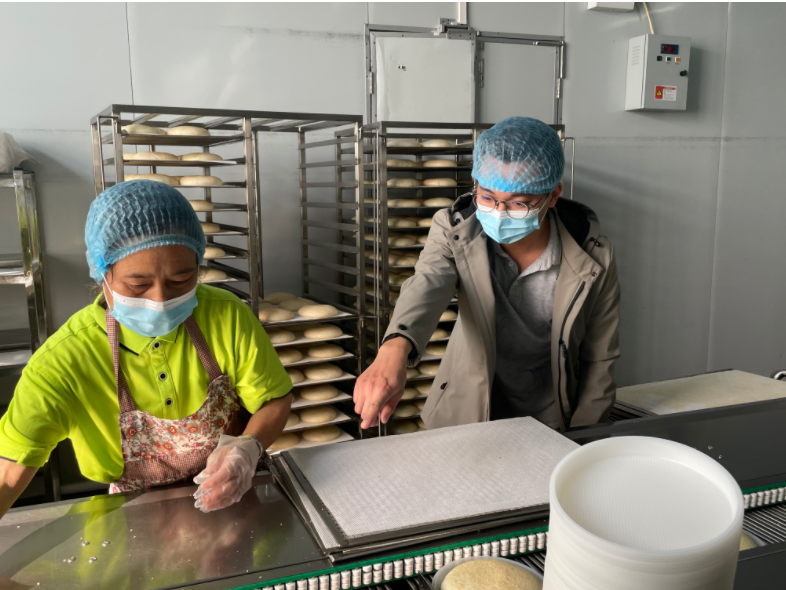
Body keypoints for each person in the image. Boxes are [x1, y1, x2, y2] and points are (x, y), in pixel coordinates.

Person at [0, 180, 292, 519]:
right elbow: (8, 472)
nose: (160, 299)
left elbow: (273, 399)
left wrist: (248, 447)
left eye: (181, 280)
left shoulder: (226, 316)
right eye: (137, 284)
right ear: (102, 274)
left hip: (232, 498)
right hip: (130, 516)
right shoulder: (64, 361)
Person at [354, 117, 620, 432]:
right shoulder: (455, 229)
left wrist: (584, 435)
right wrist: (394, 348)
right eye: (488, 197)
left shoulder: (593, 256)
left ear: (552, 195)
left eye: (518, 203)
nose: (499, 213)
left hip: (553, 418)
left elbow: (599, 357)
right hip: (469, 412)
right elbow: (428, 283)